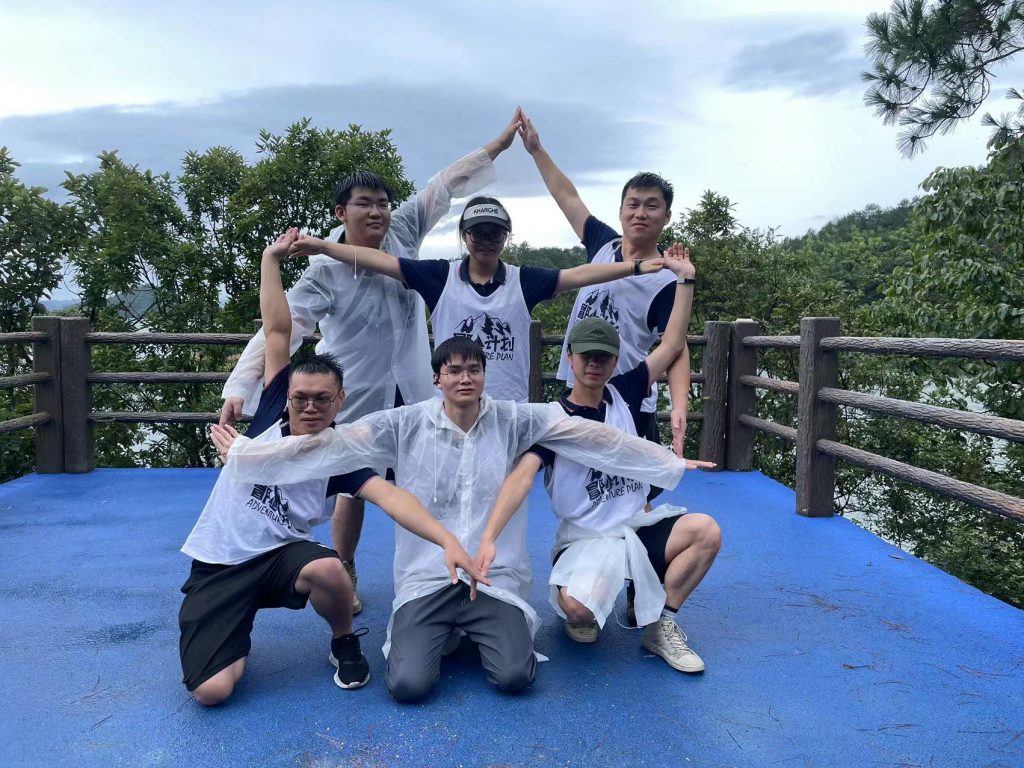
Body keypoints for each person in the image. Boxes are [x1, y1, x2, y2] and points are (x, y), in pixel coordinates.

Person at [216, 336, 690, 702]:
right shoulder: (404, 424)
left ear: (484, 376)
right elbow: (333, 444)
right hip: (427, 578)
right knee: (407, 686)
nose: (465, 378)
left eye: (474, 370)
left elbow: (593, 436)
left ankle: (468, 630)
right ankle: (442, 632)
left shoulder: (515, 420)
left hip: (492, 576)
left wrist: (666, 461)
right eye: (454, 370)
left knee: (514, 678)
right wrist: (249, 456)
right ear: (437, 378)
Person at [219, 113, 523, 614]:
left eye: (383, 202)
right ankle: (344, 567)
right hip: (357, 391)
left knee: (435, 476)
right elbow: (282, 330)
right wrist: (238, 386)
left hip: (417, 387)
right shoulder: (323, 270)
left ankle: (443, 568)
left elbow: (445, 185)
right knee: (353, 488)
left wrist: (500, 144)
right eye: (365, 204)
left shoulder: (403, 231)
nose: (378, 211)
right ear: (342, 212)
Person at [182, 230, 480, 706]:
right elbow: (278, 330)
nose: (310, 407)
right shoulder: (268, 414)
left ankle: (343, 639)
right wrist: (270, 259)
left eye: (323, 399)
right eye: (301, 397)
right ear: (285, 396)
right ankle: (233, 632)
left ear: (340, 401)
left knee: (332, 568)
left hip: (281, 558)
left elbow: (392, 498)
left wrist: (447, 541)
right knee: (213, 691)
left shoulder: (340, 454)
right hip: (220, 563)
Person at [475, 246, 721, 673]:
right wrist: (489, 537)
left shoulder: (625, 392)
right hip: (585, 539)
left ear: (614, 361)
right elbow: (521, 478)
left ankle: (661, 624)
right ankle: (580, 594)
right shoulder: (554, 422)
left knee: (706, 532)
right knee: (580, 613)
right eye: (586, 355)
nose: (594, 364)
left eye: (603, 356)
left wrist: (685, 281)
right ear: (569, 358)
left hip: (633, 527)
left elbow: (672, 344)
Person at [289, 196, 670, 402]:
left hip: (507, 410)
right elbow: (381, 260)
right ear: (465, 236)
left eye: (494, 233)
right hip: (452, 406)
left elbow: (581, 274)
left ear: (507, 236)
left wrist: (635, 268)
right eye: (478, 233)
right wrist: (324, 246)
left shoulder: (523, 281)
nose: (486, 241)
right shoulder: (441, 277)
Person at [518, 111, 691, 460]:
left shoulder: (666, 280)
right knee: (575, 478)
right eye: (633, 204)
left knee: (629, 486)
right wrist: (536, 150)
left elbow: (675, 345)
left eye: (652, 206)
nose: (640, 213)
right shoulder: (603, 246)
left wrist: (679, 405)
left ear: (666, 216)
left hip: (628, 398)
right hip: (579, 388)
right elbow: (567, 197)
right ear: (621, 210)